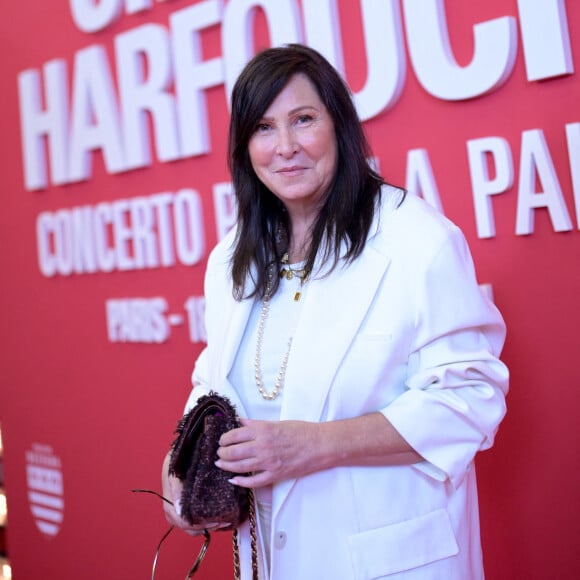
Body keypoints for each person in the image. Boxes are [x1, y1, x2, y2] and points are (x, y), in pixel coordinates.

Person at [161, 43, 509, 580]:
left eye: (303, 120)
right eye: (263, 128)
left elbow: (470, 396)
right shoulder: (231, 256)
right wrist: (180, 463)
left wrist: (316, 445)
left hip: (390, 558)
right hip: (272, 558)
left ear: (338, 127)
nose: (285, 147)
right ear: (243, 147)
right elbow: (212, 383)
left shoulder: (418, 239)